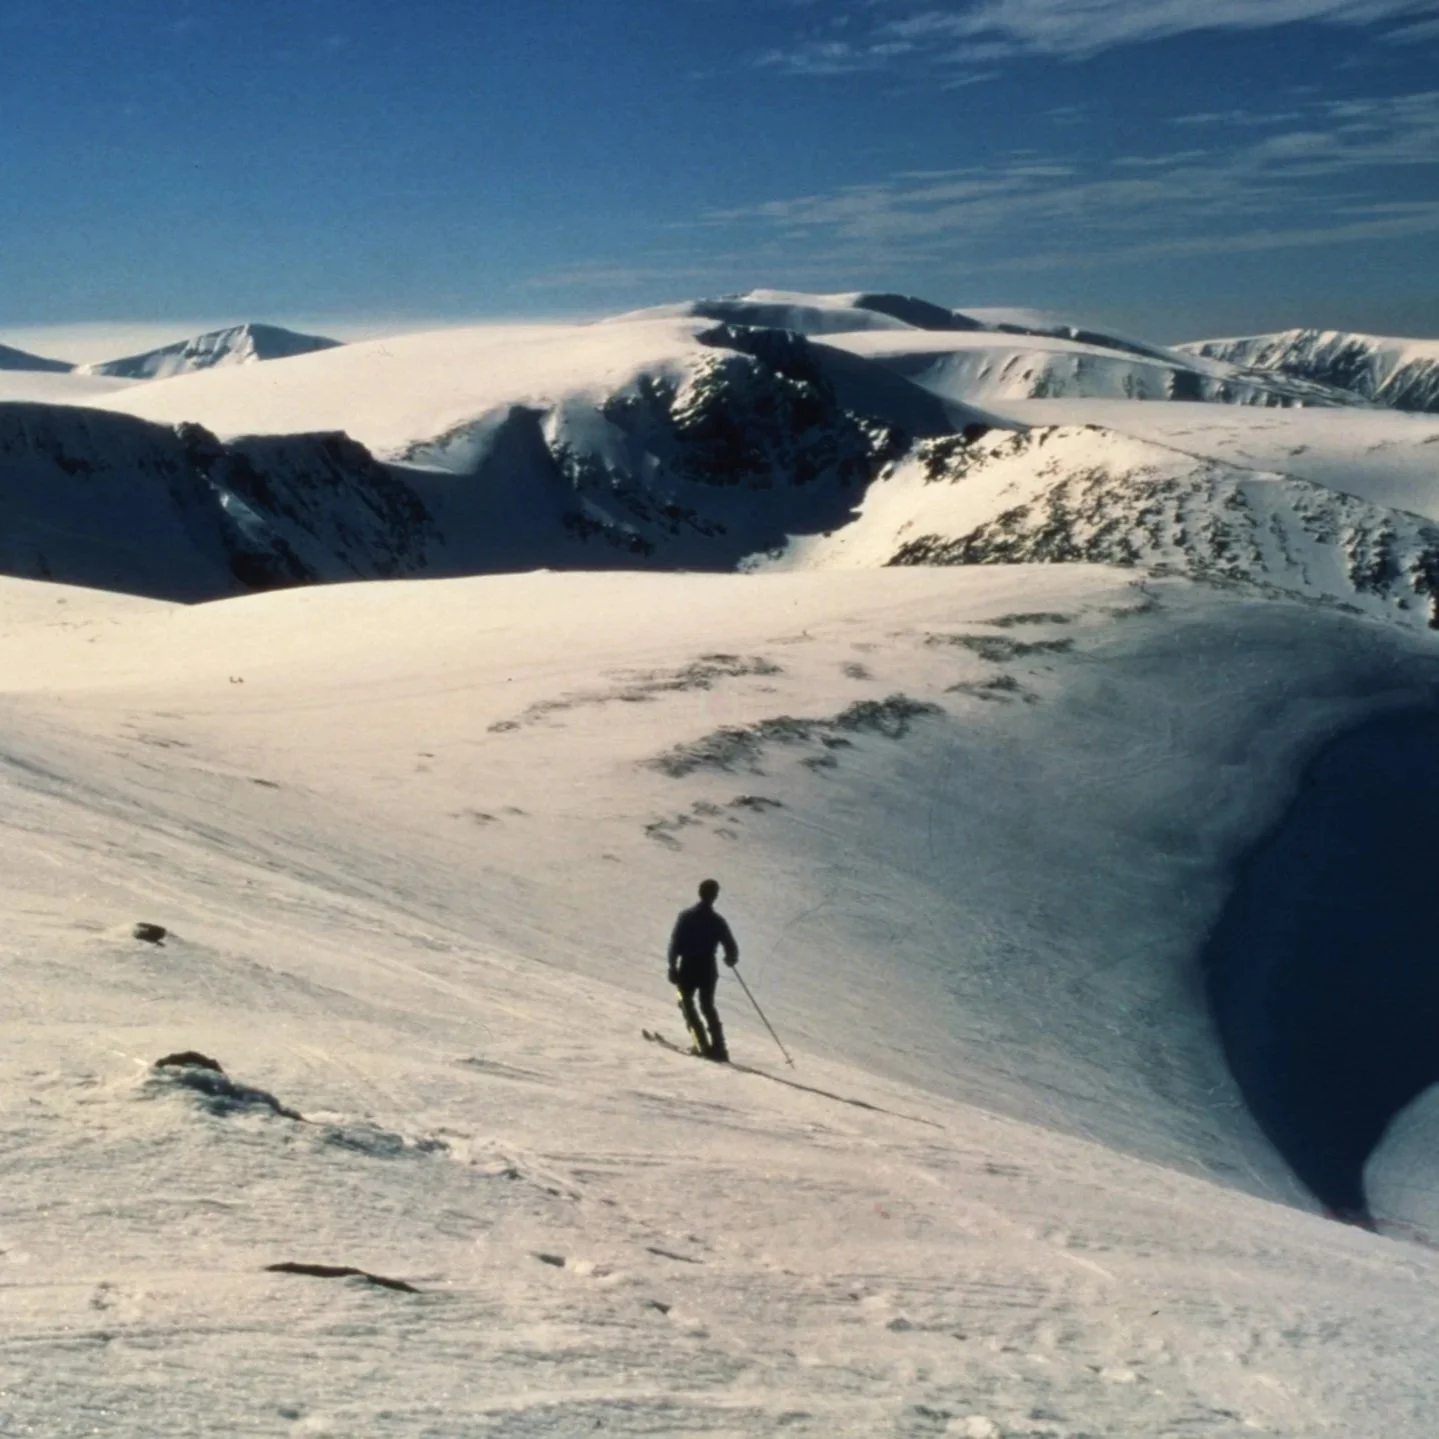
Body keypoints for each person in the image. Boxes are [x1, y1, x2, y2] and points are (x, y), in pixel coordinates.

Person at [667, 878, 739, 1061]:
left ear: (700, 893)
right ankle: (719, 1048)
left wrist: (672, 966)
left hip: (689, 966)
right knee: (707, 1006)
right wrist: (730, 958)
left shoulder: (686, 916)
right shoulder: (717, 921)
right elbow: (730, 945)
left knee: (685, 1001)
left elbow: (675, 944)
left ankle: (701, 1044)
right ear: (715, 896)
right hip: (708, 967)